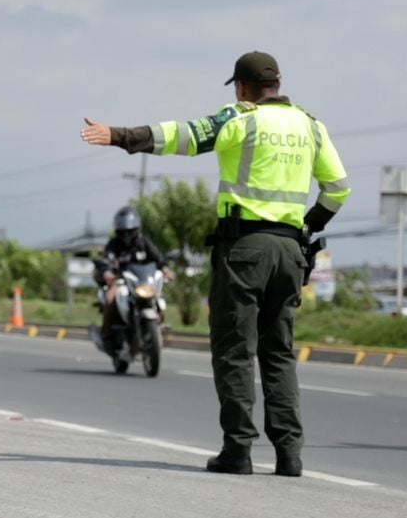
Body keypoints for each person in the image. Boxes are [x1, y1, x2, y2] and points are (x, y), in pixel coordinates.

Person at [80, 51, 350, 477]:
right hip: (290, 252)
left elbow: (183, 136)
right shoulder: (311, 126)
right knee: (278, 352)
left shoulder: (240, 120)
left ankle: (238, 451)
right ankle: (289, 454)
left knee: (235, 350)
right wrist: (304, 228)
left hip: (244, 250)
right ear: (277, 84)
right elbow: (338, 189)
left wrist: (118, 134)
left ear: (242, 87)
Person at [93, 206, 171, 357]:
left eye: (130, 230)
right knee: (110, 299)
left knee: (159, 297)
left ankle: (158, 327)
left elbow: (158, 257)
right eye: (123, 231)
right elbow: (106, 260)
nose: (126, 234)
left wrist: (166, 269)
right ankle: (106, 334)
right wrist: (108, 272)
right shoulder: (114, 244)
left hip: (142, 281)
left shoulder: (143, 241)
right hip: (121, 280)